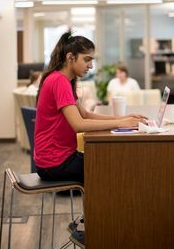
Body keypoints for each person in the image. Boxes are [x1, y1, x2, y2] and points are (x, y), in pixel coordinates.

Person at [34, 31, 145, 247]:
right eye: (87, 59)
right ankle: (93, 229)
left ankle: (87, 224)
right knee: (109, 170)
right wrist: (120, 124)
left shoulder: (62, 79)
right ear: (70, 57)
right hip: (54, 162)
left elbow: (84, 115)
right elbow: (79, 125)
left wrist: (123, 118)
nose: (90, 66)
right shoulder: (59, 81)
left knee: (104, 165)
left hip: (56, 158)